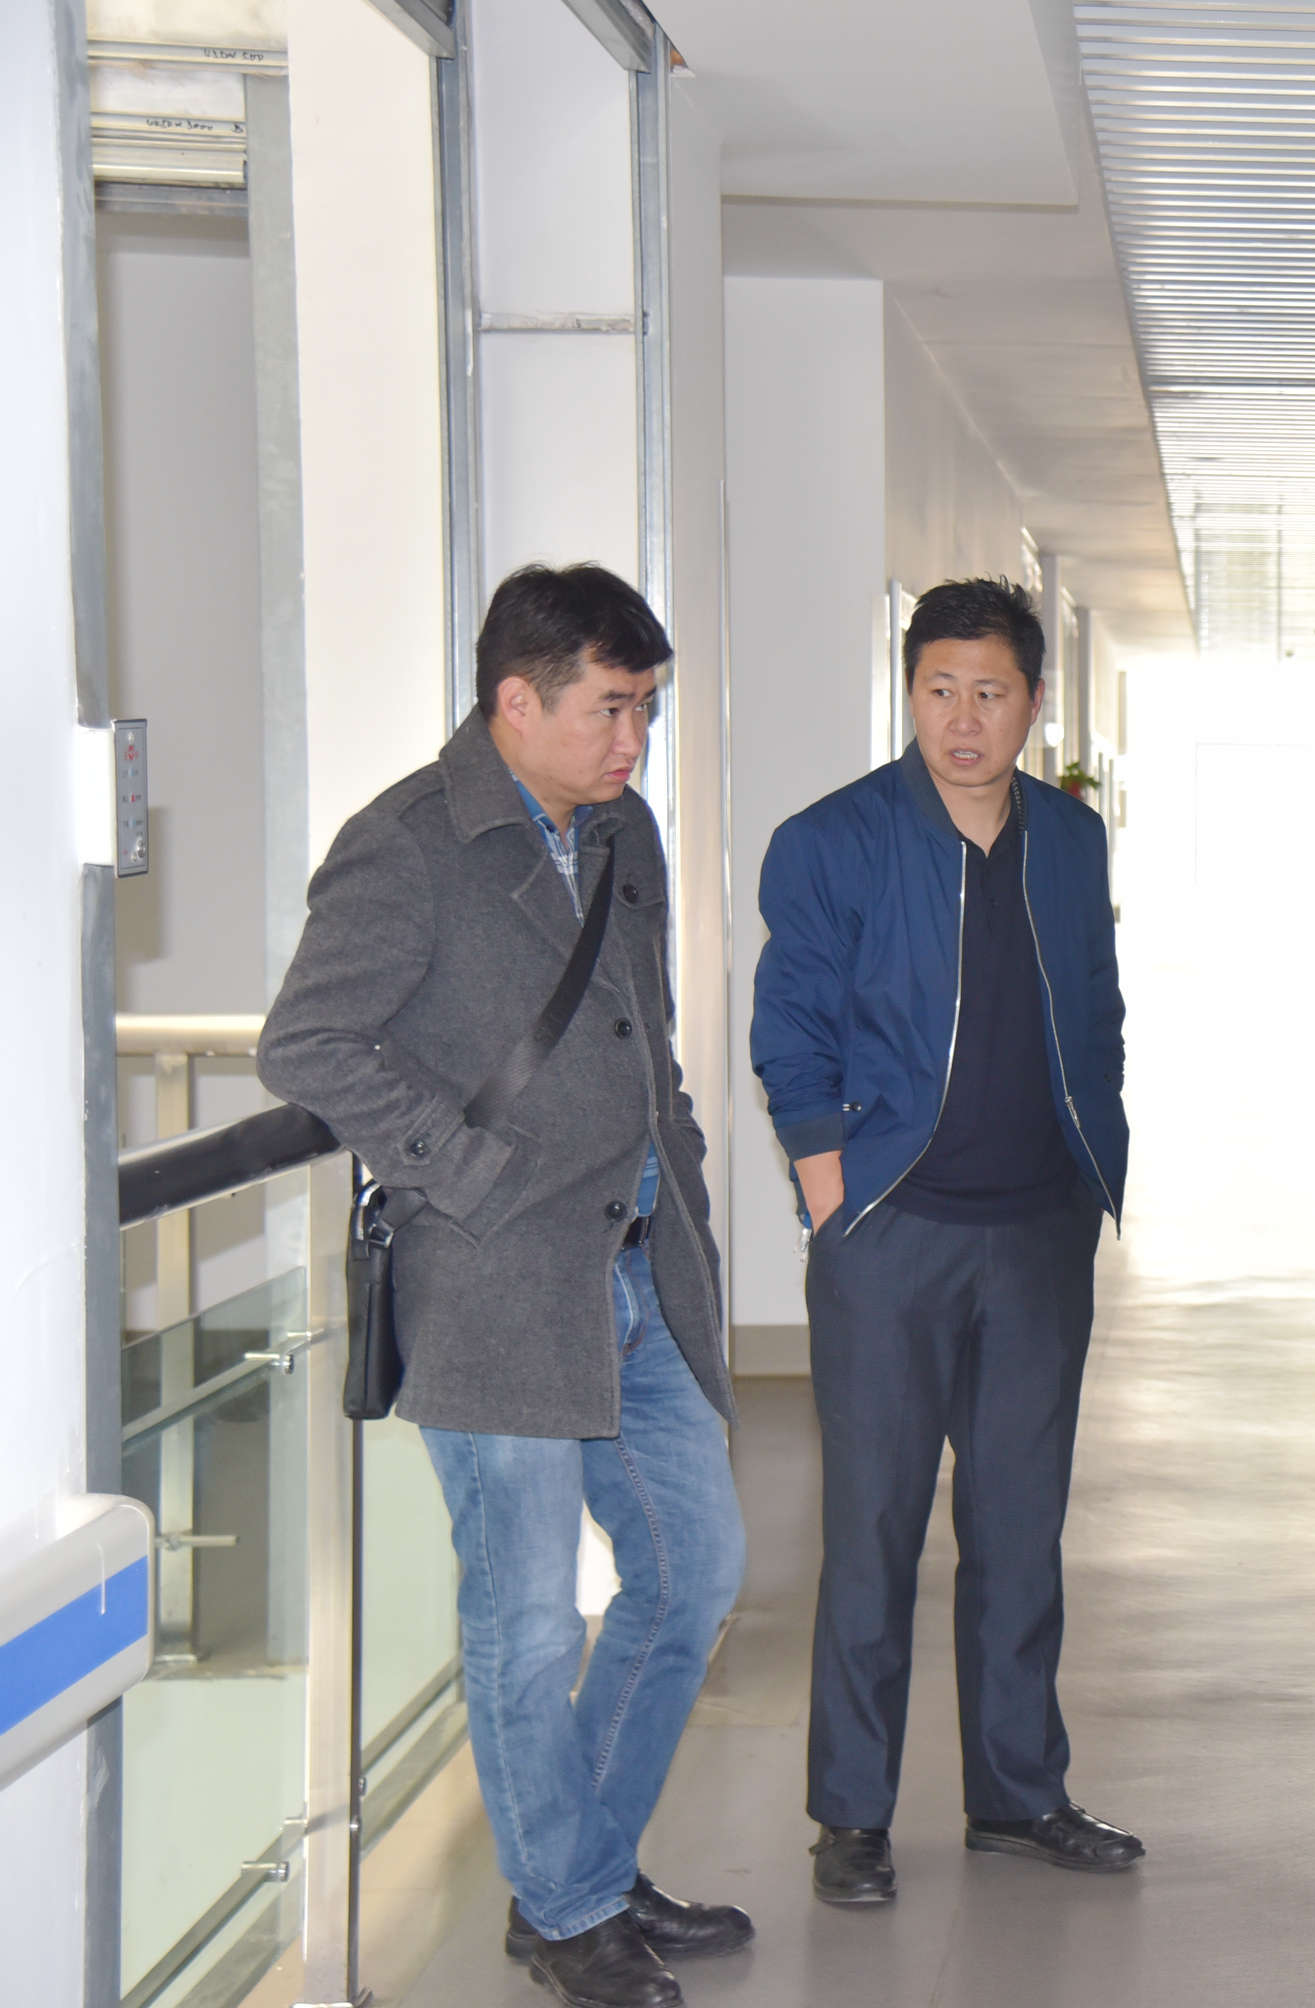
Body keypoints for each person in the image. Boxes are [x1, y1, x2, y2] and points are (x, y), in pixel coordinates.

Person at [261, 564, 748, 2008]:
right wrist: (461, 1174)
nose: (633, 740)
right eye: (611, 709)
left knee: (692, 1574)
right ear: (515, 701)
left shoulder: (622, 832)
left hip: (639, 1273)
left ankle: (579, 1866)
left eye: (646, 709)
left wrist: (682, 1186)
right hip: (495, 1290)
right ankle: (573, 1904)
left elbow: (647, 1045)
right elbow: (307, 1044)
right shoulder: (408, 843)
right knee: (527, 1620)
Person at [748, 576, 1137, 1908]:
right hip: (893, 1234)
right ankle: (852, 1816)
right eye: (938, 691)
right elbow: (791, 1025)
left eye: (989, 693)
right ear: (909, 692)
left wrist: (1092, 1164)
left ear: (1033, 703)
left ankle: (1018, 1795)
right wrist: (830, 1194)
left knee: (1021, 1533)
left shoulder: (1070, 839)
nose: (963, 720)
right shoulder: (834, 841)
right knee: (872, 1531)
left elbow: (1098, 1008)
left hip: (1038, 1234)